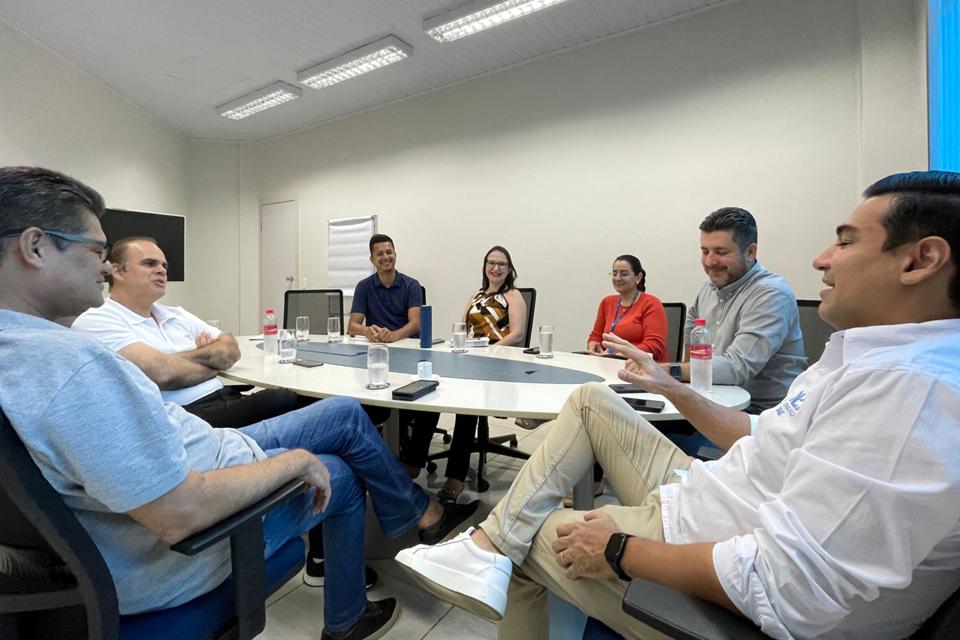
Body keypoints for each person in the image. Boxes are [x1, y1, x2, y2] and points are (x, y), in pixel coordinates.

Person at [396, 170, 960, 640]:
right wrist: (671, 386)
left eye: (846, 240)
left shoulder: (911, 391)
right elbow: (767, 436)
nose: (821, 258)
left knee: (522, 539)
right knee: (591, 399)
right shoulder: (864, 356)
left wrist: (618, 547)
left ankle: (491, 548)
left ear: (920, 260)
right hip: (716, 487)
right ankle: (488, 542)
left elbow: (789, 584)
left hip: (709, 535)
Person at [0, 166, 477, 640]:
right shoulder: (71, 363)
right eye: (96, 251)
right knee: (340, 470)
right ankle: (355, 608)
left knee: (341, 416)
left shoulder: (26, 351)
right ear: (36, 247)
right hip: (180, 553)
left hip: (198, 459)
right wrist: (294, 460)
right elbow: (179, 512)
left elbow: (206, 365)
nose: (104, 267)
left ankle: (412, 525)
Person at [72, 236, 306, 428]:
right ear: (117, 271)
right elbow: (162, 374)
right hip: (185, 416)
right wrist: (208, 357)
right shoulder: (97, 318)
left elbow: (230, 348)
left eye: (164, 265)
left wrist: (179, 362)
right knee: (285, 399)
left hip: (225, 397)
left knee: (304, 400)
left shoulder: (175, 314)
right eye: (150, 264)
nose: (162, 271)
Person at [677, 207, 806, 412]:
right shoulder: (709, 288)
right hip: (714, 400)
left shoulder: (771, 294)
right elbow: (691, 331)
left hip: (760, 414)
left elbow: (737, 368)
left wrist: (671, 372)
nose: (710, 261)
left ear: (750, 251)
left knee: (645, 438)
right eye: (705, 251)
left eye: (721, 252)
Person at [434, 246, 527, 504]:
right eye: (491, 263)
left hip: (499, 363)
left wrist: (491, 351)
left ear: (509, 270)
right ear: (485, 266)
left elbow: (517, 334)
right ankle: (412, 459)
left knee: (466, 408)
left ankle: (455, 477)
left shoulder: (513, 295)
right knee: (431, 387)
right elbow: (461, 327)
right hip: (471, 360)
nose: (495, 268)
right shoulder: (475, 296)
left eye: (501, 264)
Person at [586, 254, 667, 362]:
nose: (617, 278)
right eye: (614, 274)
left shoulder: (651, 303)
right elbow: (596, 336)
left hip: (642, 367)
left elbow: (654, 346)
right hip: (609, 364)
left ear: (638, 277)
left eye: (624, 274)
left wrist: (620, 354)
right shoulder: (607, 302)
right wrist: (593, 345)